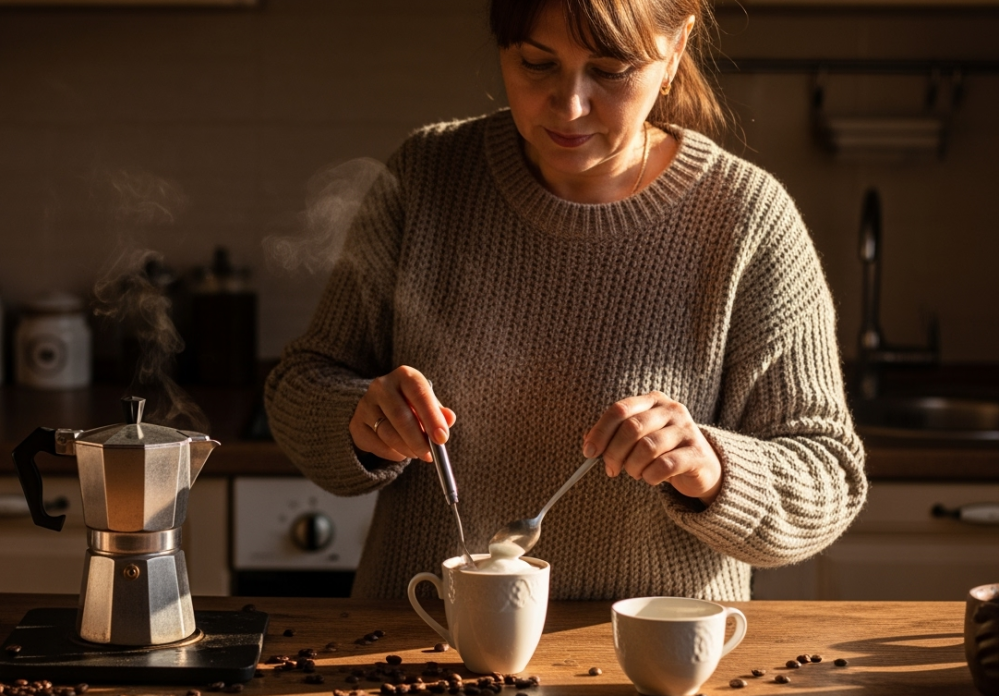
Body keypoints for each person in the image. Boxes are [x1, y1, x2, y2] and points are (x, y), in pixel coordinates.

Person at [264, 0, 867, 601]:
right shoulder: (426, 176)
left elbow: (829, 477)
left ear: (676, 48)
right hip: (420, 632)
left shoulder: (747, 217)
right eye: (536, 63)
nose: (570, 105)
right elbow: (299, 386)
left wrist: (710, 465)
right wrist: (359, 419)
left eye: (610, 71)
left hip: (649, 648)